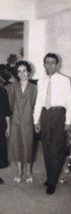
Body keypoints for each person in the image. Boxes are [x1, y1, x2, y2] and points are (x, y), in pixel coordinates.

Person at [34, 53, 71, 194]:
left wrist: (68, 122)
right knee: (46, 148)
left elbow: (69, 102)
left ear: (57, 65)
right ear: (44, 64)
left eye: (52, 63)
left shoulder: (65, 80)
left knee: (57, 149)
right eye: (47, 63)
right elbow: (38, 102)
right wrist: (36, 120)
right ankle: (51, 176)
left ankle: (52, 181)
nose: (49, 65)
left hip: (59, 114)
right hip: (45, 114)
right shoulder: (41, 81)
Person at [6, 61, 37, 183]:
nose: (22, 73)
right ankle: (19, 171)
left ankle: (28, 171)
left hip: (28, 122)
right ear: (17, 73)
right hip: (15, 122)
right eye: (19, 71)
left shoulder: (35, 88)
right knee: (16, 146)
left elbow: (38, 106)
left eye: (24, 70)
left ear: (28, 72)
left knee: (28, 146)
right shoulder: (12, 87)